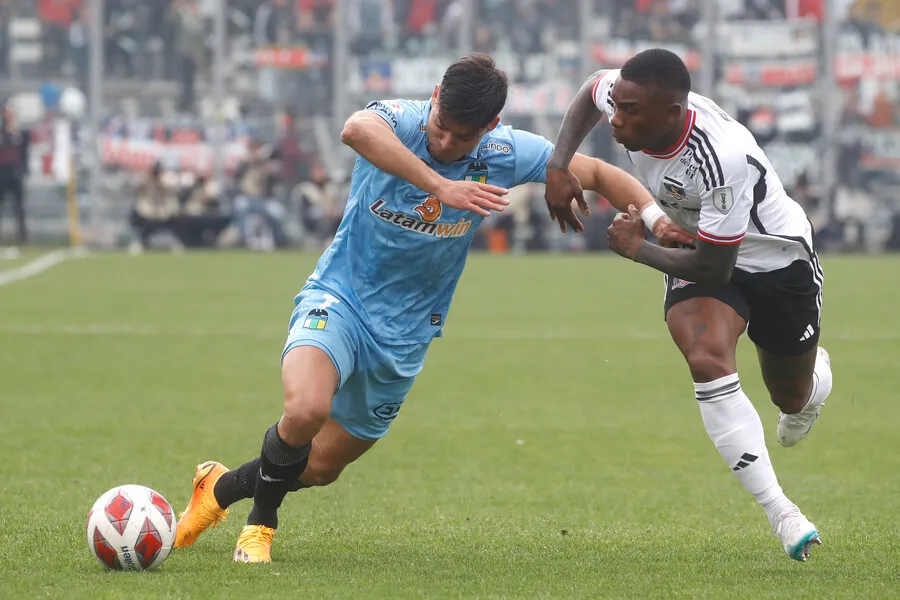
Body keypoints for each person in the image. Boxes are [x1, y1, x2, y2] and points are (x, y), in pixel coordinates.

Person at [173, 53, 692, 564]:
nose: (446, 141)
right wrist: (442, 185)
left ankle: (217, 488)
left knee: (320, 467)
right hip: (340, 298)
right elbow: (354, 130)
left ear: (490, 126)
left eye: (463, 138)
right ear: (435, 99)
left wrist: (653, 216)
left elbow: (599, 171)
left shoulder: (505, 150)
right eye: (442, 126)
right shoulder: (400, 120)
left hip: (406, 333)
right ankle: (260, 525)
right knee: (305, 409)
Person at [544, 49, 832, 561]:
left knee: (789, 395)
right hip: (700, 248)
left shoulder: (719, 157)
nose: (617, 117)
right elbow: (592, 87)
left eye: (631, 111)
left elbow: (715, 268)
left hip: (775, 261)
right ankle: (781, 512)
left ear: (671, 112)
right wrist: (557, 166)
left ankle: (814, 386)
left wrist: (640, 249)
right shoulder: (627, 96)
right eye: (619, 106)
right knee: (705, 356)